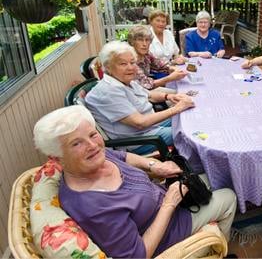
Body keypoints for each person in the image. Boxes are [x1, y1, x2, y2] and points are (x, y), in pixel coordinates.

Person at [33, 105, 237, 258]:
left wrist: (155, 166)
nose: (92, 145)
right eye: (76, 143)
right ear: (57, 158)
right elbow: (137, 255)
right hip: (168, 231)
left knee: (212, 177)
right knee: (228, 196)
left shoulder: (95, 159)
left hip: (164, 197)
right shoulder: (92, 206)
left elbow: (123, 157)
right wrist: (169, 204)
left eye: (93, 134)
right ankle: (222, 248)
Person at [85, 41, 194, 149]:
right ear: (108, 67)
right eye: (123, 64)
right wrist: (177, 108)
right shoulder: (108, 91)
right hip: (141, 139)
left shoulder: (125, 80)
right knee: (190, 132)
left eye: (132, 63)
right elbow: (140, 122)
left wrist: (169, 97)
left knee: (189, 116)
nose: (130, 67)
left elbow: (149, 95)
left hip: (151, 126)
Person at [128, 25, 188, 91]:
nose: (144, 44)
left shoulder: (146, 54)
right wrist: (170, 78)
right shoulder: (130, 60)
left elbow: (159, 64)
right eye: (140, 40)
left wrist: (172, 68)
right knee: (177, 93)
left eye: (147, 40)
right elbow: (147, 85)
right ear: (132, 42)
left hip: (145, 90)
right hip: (136, 94)